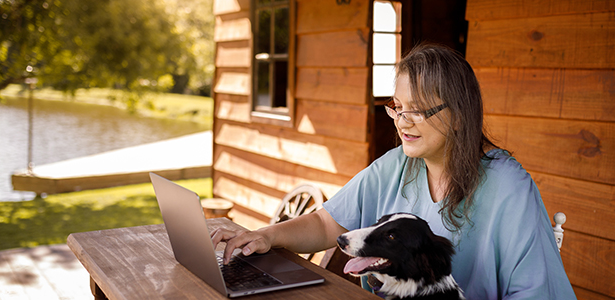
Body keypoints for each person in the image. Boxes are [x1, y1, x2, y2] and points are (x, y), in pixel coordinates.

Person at [212, 43, 576, 299]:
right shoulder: (397, 164)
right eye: (398, 107)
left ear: (460, 116)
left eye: (417, 111)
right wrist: (267, 236)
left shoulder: (508, 187)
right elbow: (327, 223)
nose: (402, 122)